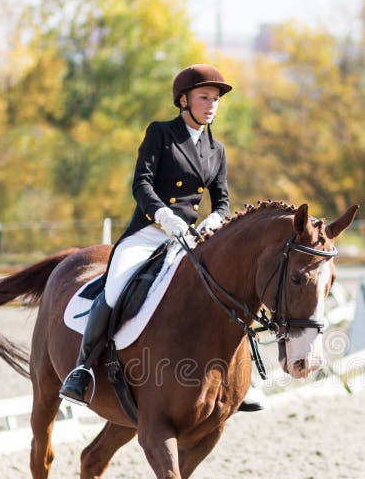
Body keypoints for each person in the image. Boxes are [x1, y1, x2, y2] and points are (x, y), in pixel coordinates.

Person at [59, 63, 266, 412]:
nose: (211, 104)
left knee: (229, 292)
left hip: (191, 239)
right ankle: (83, 370)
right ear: (183, 100)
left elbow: (223, 200)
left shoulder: (217, 151)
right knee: (115, 288)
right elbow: (141, 182)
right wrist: (164, 215)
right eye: (204, 97)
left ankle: (240, 381)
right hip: (149, 233)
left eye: (215, 99)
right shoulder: (161, 133)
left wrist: (213, 220)